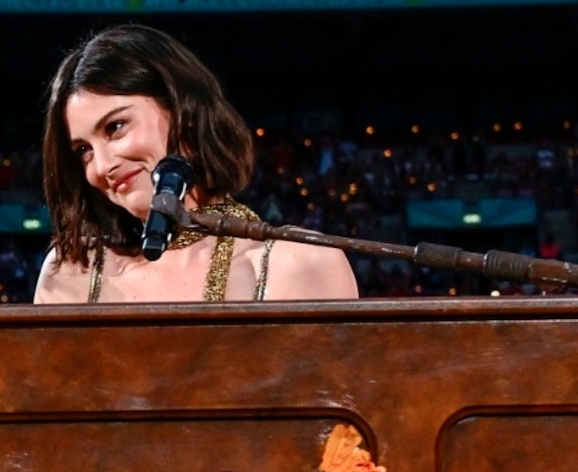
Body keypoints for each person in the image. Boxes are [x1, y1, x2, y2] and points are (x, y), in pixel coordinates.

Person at [32, 24, 359, 305]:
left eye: (115, 127)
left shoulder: (299, 265)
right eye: (84, 150)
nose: (101, 166)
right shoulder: (73, 275)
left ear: (183, 110)